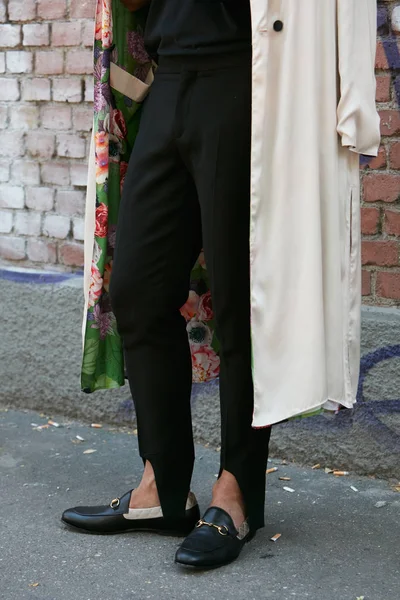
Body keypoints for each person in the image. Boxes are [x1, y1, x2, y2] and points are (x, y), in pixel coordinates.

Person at [62, 0, 380, 569]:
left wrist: (354, 107)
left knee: (242, 303)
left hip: (248, 80)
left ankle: (236, 495)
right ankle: (161, 487)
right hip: (167, 78)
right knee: (136, 287)